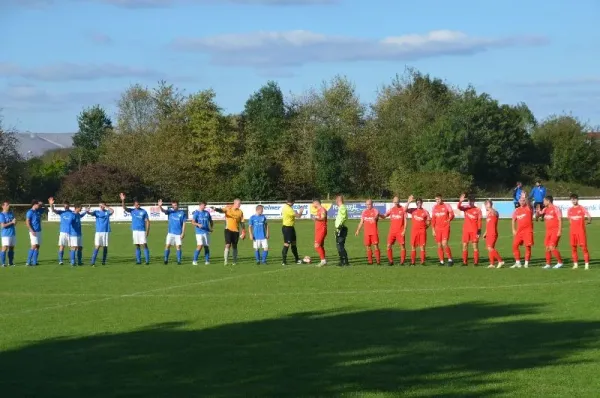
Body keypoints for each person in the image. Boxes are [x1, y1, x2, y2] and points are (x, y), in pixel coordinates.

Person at [213, 199, 245, 266]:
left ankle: (234, 261)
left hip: (236, 231)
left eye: (240, 203)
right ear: (235, 203)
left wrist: (243, 231)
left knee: (235, 246)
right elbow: (221, 210)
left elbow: (242, 222)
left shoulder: (240, 212)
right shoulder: (228, 208)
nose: (240, 205)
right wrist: (215, 209)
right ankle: (226, 261)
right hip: (228, 229)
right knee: (228, 244)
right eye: (239, 203)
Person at [120, 193, 151, 264]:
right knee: (137, 245)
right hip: (135, 231)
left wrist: (147, 231)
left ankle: (147, 261)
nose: (137, 205)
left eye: (139, 204)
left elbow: (148, 222)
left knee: (144, 245)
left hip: (142, 231)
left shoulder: (143, 212)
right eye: (136, 204)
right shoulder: (132, 211)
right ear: (134, 205)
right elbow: (124, 207)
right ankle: (138, 261)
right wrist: (123, 200)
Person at [538, 195, 563, 269]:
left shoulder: (556, 208)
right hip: (548, 231)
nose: (543, 202)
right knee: (547, 247)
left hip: (555, 231)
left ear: (548, 201)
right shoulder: (545, 209)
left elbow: (560, 220)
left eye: (544, 201)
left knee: (552, 247)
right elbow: (540, 213)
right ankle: (548, 264)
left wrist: (559, 230)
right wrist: (538, 211)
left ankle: (560, 262)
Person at [567, 193, 591, 270]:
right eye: (572, 199)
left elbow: (589, 217)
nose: (574, 201)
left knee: (584, 248)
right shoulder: (569, 210)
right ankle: (575, 264)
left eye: (575, 199)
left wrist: (588, 221)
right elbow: (570, 221)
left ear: (577, 199)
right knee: (573, 248)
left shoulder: (582, 208)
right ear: (571, 200)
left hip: (581, 232)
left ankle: (586, 264)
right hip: (572, 232)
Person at [158, 199, 187, 265]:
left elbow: (184, 223)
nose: (174, 206)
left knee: (178, 247)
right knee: (167, 246)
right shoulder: (170, 211)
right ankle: (166, 259)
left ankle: (179, 261)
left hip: (178, 233)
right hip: (170, 233)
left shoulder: (182, 213)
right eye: (173, 205)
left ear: (178, 205)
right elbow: (163, 211)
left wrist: (183, 233)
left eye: (175, 205)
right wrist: (160, 206)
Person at [457, 194, 483, 266]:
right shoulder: (466, 208)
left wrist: (479, 230)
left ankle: (476, 262)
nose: (471, 202)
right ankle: (464, 262)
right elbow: (459, 207)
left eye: (472, 201)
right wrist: (460, 201)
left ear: (474, 201)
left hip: (474, 231)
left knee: (475, 246)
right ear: (468, 201)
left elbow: (479, 221)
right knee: (464, 245)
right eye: (470, 201)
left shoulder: (478, 210)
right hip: (466, 230)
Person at [381, 196, 407, 265]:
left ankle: (402, 262)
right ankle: (390, 261)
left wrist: (404, 230)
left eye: (397, 202)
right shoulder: (391, 209)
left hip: (400, 231)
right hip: (392, 231)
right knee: (388, 246)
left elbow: (405, 220)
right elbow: (384, 216)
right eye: (395, 202)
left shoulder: (403, 209)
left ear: (399, 201)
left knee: (402, 246)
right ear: (393, 201)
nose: (396, 203)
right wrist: (379, 215)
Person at [86, 202, 114, 266]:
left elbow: (112, 211)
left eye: (102, 205)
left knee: (105, 246)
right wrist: (87, 211)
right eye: (100, 205)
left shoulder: (107, 212)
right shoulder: (96, 212)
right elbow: (90, 213)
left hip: (105, 231)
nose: (101, 206)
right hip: (98, 232)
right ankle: (92, 262)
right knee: (97, 246)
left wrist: (106, 206)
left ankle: (103, 261)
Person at [355, 199, 382, 265]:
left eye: (369, 204)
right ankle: (370, 261)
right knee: (367, 246)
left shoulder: (375, 210)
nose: (368, 206)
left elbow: (376, 216)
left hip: (374, 232)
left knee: (375, 246)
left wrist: (375, 218)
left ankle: (378, 261)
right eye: (367, 204)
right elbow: (361, 222)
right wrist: (358, 230)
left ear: (372, 204)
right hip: (367, 232)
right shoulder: (364, 211)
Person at [431, 193, 455, 266]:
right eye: (436, 200)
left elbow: (452, 214)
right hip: (437, 229)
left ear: (441, 199)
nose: (437, 201)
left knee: (444, 243)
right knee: (439, 245)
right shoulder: (434, 207)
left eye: (438, 199)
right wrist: (433, 229)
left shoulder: (447, 205)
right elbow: (433, 219)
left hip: (445, 228)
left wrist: (449, 219)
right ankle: (441, 261)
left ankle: (450, 259)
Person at [511, 195, 534, 268]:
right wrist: (513, 229)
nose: (521, 202)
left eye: (523, 200)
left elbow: (529, 204)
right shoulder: (517, 210)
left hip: (527, 231)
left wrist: (526, 197)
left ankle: (526, 263)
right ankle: (518, 262)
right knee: (514, 246)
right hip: (519, 232)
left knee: (527, 247)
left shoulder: (528, 208)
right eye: (520, 200)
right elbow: (513, 220)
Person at [49, 197, 74, 265]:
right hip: (63, 232)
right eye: (64, 205)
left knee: (71, 246)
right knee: (62, 246)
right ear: (63, 206)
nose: (65, 206)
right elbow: (53, 210)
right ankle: (60, 260)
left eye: (67, 205)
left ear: (69, 205)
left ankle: (72, 260)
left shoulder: (72, 213)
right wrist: (51, 204)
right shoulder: (61, 212)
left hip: (70, 232)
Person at [407, 196, 430, 266]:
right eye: (417, 203)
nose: (419, 204)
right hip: (414, 231)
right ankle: (413, 262)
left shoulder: (425, 212)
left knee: (422, 246)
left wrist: (424, 228)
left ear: (422, 203)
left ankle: (422, 262)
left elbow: (429, 221)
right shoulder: (413, 210)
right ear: (416, 203)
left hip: (422, 231)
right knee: (413, 246)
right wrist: (408, 202)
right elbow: (404, 209)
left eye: (420, 202)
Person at [280, 197, 304, 266]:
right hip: (287, 228)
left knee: (294, 244)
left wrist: (295, 213)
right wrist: (301, 211)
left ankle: (297, 259)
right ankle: (284, 261)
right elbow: (298, 216)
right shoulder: (288, 209)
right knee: (286, 244)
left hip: (291, 228)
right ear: (293, 202)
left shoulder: (286, 206)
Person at [483, 199, 504, 269]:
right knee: (489, 249)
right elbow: (488, 224)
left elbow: (495, 213)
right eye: (485, 204)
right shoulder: (488, 214)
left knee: (490, 248)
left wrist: (489, 207)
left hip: (493, 233)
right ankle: (492, 264)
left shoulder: (494, 212)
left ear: (491, 204)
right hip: (488, 233)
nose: (486, 205)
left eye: (487, 204)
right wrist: (485, 233)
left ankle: (500, 261)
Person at [191, 201, 213, 265]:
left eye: (205, 205)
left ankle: (207, 261)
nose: (204, 206)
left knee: (206, 246)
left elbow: (211, 221)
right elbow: (192, 222)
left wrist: (211, 228)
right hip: (199, 232)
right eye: (204, 205)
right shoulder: (196, 213)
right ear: (200, 205)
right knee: (200, 245)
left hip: (206, 232)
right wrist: (198, 224)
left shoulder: (207, 213)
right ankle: (194, 260)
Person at [25, 200, 46, 266]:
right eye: (38, 204)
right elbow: (27, 222)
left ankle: (34, 261)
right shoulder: (30, 212)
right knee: (33, 245)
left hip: (39, 230)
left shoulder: (38, 211)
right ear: (34, 204)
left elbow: (46, 209)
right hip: (33, 231)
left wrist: (43, 204)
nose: (39, 206)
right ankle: (28, 261)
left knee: (37, 246)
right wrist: (31, 230)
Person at [334, 194, 349, 267]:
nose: (335, 202)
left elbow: (343, 217)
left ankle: (344, 261)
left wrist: (340, 226)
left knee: (340, 245)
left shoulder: (342, 207)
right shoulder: (341, 207)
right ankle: (342, 261)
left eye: (336, 200)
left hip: (341, 228)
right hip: (339, 228)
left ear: (338, 200)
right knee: (339, 245)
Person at [0, 201, 16, 267]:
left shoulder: (11, 213)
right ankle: (3, 263)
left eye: (8, 205)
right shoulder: (2, 215)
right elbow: (3, 225)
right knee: (5, 248)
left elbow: (14, 222)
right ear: (3, 206)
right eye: (6, 205)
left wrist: (15, 222)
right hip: (5, 234)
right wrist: (12, 222)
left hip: (12, 233)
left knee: (11, 248)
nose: (8, 206)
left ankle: (10, 262)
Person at [312, 199, 328, 267]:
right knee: (320, 245)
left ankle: (323, 261)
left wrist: (316, 218)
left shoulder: (322, 209)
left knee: (316, 246)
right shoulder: (319, 210)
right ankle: (324, 260)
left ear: (316, 203)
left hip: (321, 230)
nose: (313, 205)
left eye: (313, 203)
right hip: (319, 230)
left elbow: (323, 217)